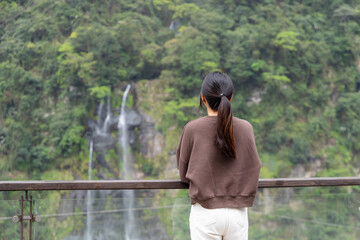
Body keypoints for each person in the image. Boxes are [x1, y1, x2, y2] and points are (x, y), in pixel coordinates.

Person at [176, 71, 262, 240]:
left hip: (205, 212)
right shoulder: (246, 128)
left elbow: (183, 172)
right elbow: (254, 166)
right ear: (230, 98)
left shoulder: (192, 128)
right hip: (238, 213)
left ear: (203, 98)